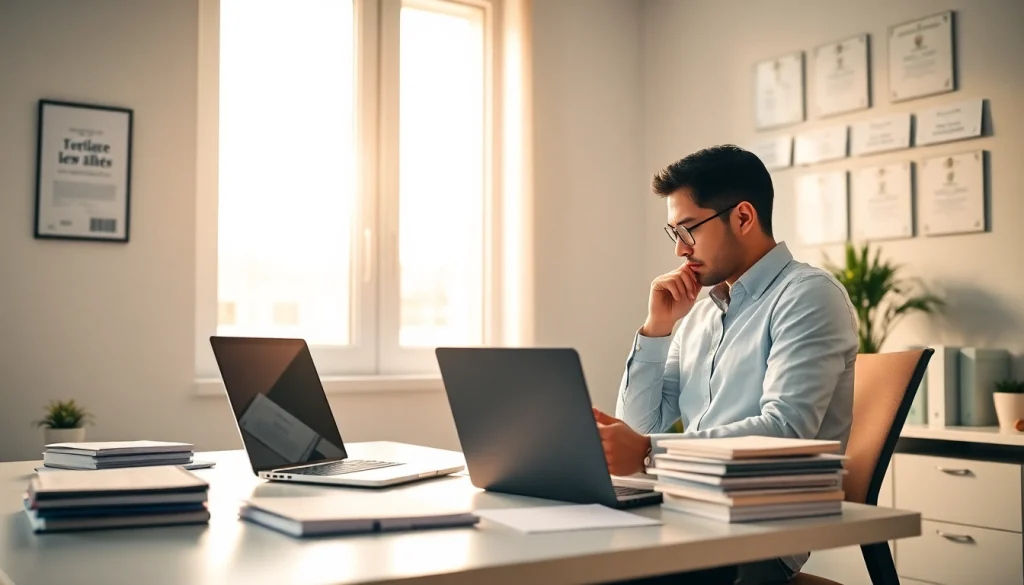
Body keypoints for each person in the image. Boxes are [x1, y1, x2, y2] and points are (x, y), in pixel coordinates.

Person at [593, 145, 858, 584]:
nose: (680, 250)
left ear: (743, 217)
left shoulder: (807, 295)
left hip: (755, 534)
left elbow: (786, 432)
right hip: (683, 513)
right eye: (673, 232)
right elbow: (642, 424)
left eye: (689, 229)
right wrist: (657, 327)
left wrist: (647, 452)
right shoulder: (700, 312)